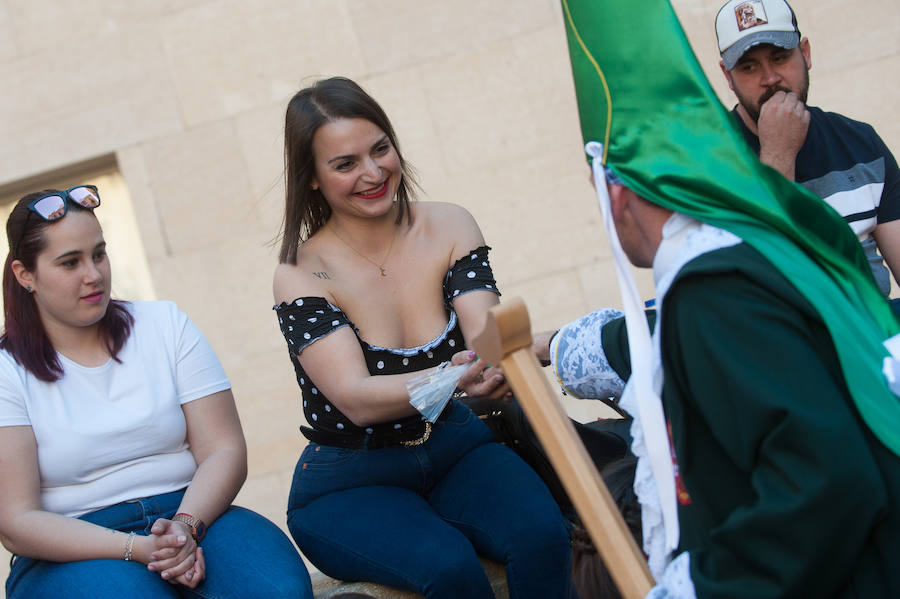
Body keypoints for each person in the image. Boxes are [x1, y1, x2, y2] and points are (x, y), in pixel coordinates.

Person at [272, 76, 572, 599]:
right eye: (345, 164)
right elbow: (357, 400)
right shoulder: (300, 272)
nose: (373, 173)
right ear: (313, 178)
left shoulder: (449, 224)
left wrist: (505, 360)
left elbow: (485, 332)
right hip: (349, 478)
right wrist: (458, 374)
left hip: (455, 444)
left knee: (543, 536)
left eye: (380, 149)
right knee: (451, 571)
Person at [0, 186, 313, 599]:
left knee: (279, 590)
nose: (93, 274)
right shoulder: (7, 370)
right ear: (26, 275)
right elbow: (16, 521)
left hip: (193, 513)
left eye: (98, 254)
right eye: (70, 263)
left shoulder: (165, 325)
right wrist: (137, 548)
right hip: (70, 548)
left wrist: (184, 527)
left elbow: (223, 448)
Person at [716, 0, 900, 297]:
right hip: (783, 337)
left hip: (874, 330)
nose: (770, 79)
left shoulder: (861, 143)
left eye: (780, 58)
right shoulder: (705, 161)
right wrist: (778, 155)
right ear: (727, 76)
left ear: (805, 53)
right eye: (749, 67)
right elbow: (750, 290)